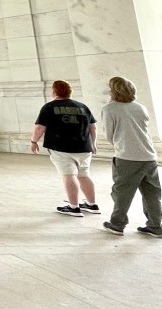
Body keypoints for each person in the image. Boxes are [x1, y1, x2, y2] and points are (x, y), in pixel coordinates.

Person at [100, 76, 161, 236]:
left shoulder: (110, 109)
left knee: (122, 192)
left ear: (114, 90)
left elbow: (109, 135)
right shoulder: (140, 107)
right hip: (149, 155)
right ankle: (155, 226)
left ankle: (117, 224)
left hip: (127, 156)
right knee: (152, 193)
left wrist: (120, 144)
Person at [29, 80, 98, 217]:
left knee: (68, 175)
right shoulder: (82, 106)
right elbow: (93, 127)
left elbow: (39, 128)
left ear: (54, 91)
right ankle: (92, 204)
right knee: (84, 175)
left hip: (61, 147)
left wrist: (33, 141)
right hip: (84, 147)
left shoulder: (49, 107)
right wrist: (93, 143)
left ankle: (74, 207)